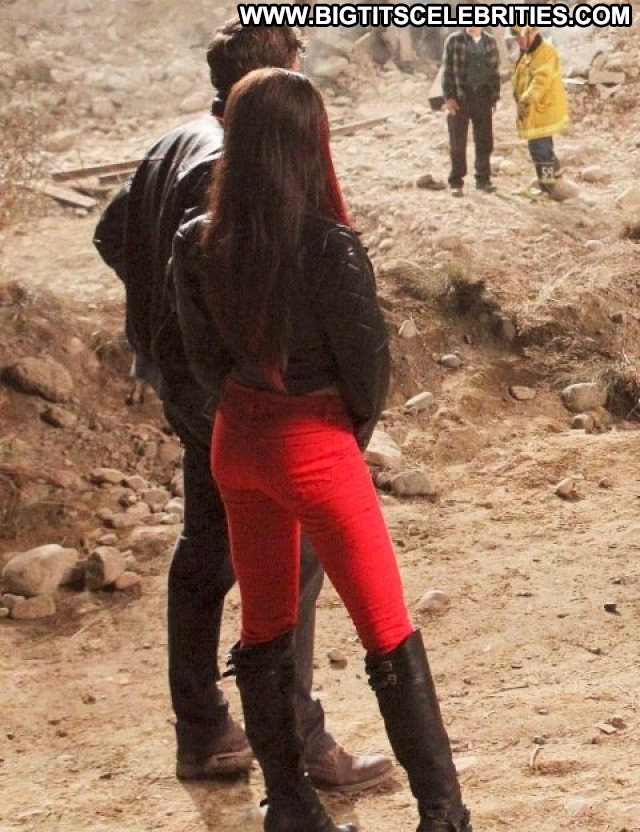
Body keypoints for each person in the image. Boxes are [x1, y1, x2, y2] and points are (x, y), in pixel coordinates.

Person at [92, 19, 392, 793]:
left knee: (203, 552)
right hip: (230, 392)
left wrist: (157, 314)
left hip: (189, 381)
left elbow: (111, 231)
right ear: (271, 84)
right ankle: (301, 742)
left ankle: (203, 734)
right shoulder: (232, 168)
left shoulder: (176, 140)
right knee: (293, 558)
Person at [172, 67, 472, 832]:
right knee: (387, 629)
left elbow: (202, 361)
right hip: (313, 446)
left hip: (237, 444)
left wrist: (252, 408)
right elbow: (367, 372)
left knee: (264, 629)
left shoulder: (197, 240)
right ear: (308, 142)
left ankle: (290, 806)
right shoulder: (329, 246)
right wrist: (339, 437)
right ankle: (444, 816)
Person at [441, 26, 500, 197]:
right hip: (460, 96)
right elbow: (447, 71)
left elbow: (494, 72)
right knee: (457, 141)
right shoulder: (454, 41)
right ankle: (456, 181)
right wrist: (449, 97)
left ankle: (483, 179)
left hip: (482, 96)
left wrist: (494, 97)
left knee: (484, 140)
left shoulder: (490, 42)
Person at [511, 24, 569, 198]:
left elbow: (541, 81)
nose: (518, 41)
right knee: (543, 147)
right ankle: (554, 178)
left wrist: (526, 99)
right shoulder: (528, 52)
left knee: (540, 149)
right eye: (516, 37)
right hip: (535, 111)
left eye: (521, 36)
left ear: (532, 33)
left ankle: (547, 188)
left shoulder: (545, 52)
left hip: (542, 110)